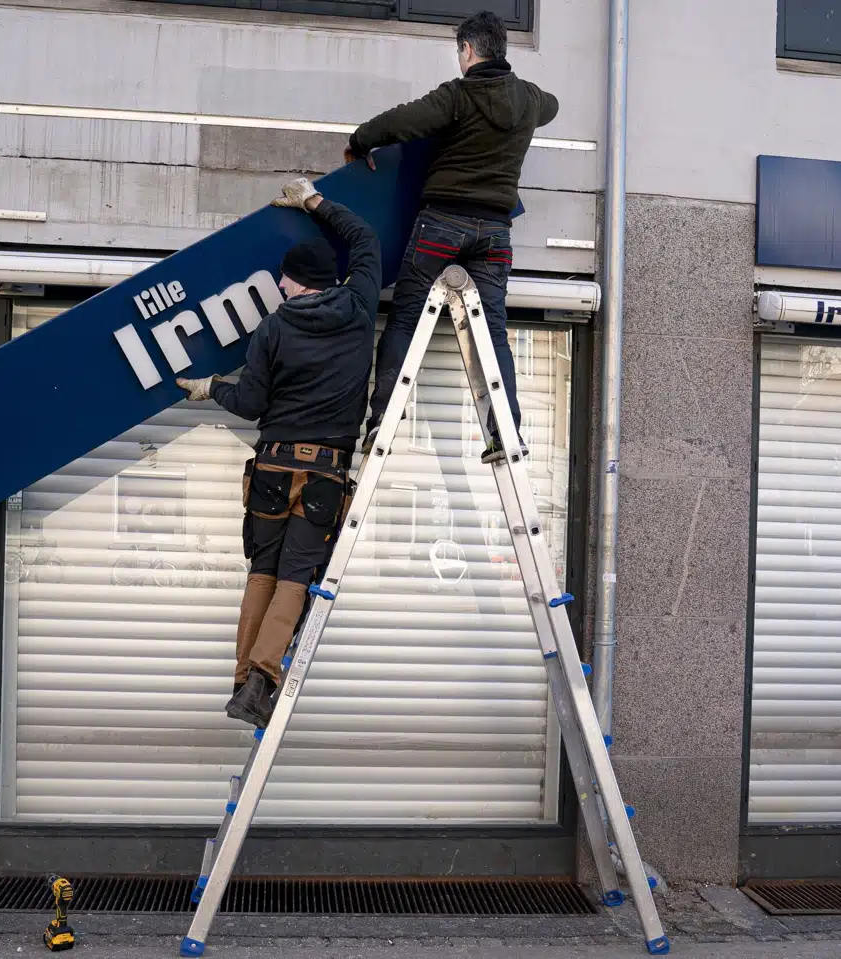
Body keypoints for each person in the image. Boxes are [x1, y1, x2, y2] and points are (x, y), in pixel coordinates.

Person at [176, 177, 380, 728]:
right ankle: (263, 678)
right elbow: (364, 240)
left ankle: (244, 679)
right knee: (295, 576)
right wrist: (314, 201)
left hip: (272, 466)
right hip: (324, 475)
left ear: (293, 281)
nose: (283, 288)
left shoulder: (273, 329)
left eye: (285, 281)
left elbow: (249, 403)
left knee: (262, 570)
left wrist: (208, 386)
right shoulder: (360, 306)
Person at [345, 10, 558, 463]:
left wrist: (360, 141)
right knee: (494, 332)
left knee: (404, 320)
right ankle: (506, 432)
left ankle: (381, 421)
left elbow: (401, 122)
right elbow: (552, 105)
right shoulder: (529, 100)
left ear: (467, 50)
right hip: (495, 234)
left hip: (443, 224)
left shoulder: (458, 96)